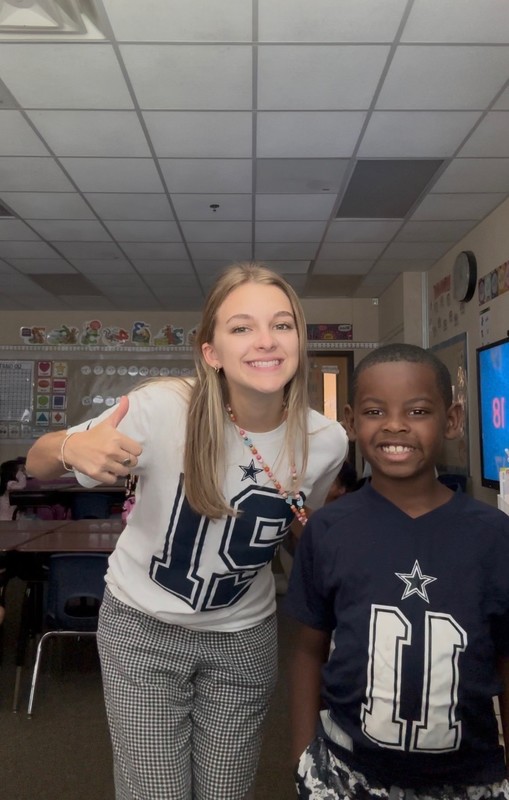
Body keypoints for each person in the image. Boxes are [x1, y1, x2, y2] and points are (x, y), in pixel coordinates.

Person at [26, 262, 348, 800]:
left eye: (282, 324)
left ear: (299, 339)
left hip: (243, 639)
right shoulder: (160, 409)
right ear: (211, 352)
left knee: (226, 792)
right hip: (143, 630)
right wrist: (63, 447)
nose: (265, 341)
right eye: (242, 327)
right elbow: (38, 462)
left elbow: (296, 527)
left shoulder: (327, 441)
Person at [284, 343, 509, 800]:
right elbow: (309, 651)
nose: (394, 425)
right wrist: (302, 759)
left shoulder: (493, 534)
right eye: (374, 411)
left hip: (470, 778)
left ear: (452, 419)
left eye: (418, 410)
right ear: (351, 421)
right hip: (349, 775)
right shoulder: (328, 530)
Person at [0, 459, 27, 625]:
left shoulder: (4, 487)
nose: (23, 473)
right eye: (20, 471)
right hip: (6, 528)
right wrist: (20, 474)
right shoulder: (10, 485)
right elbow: (22, 484)